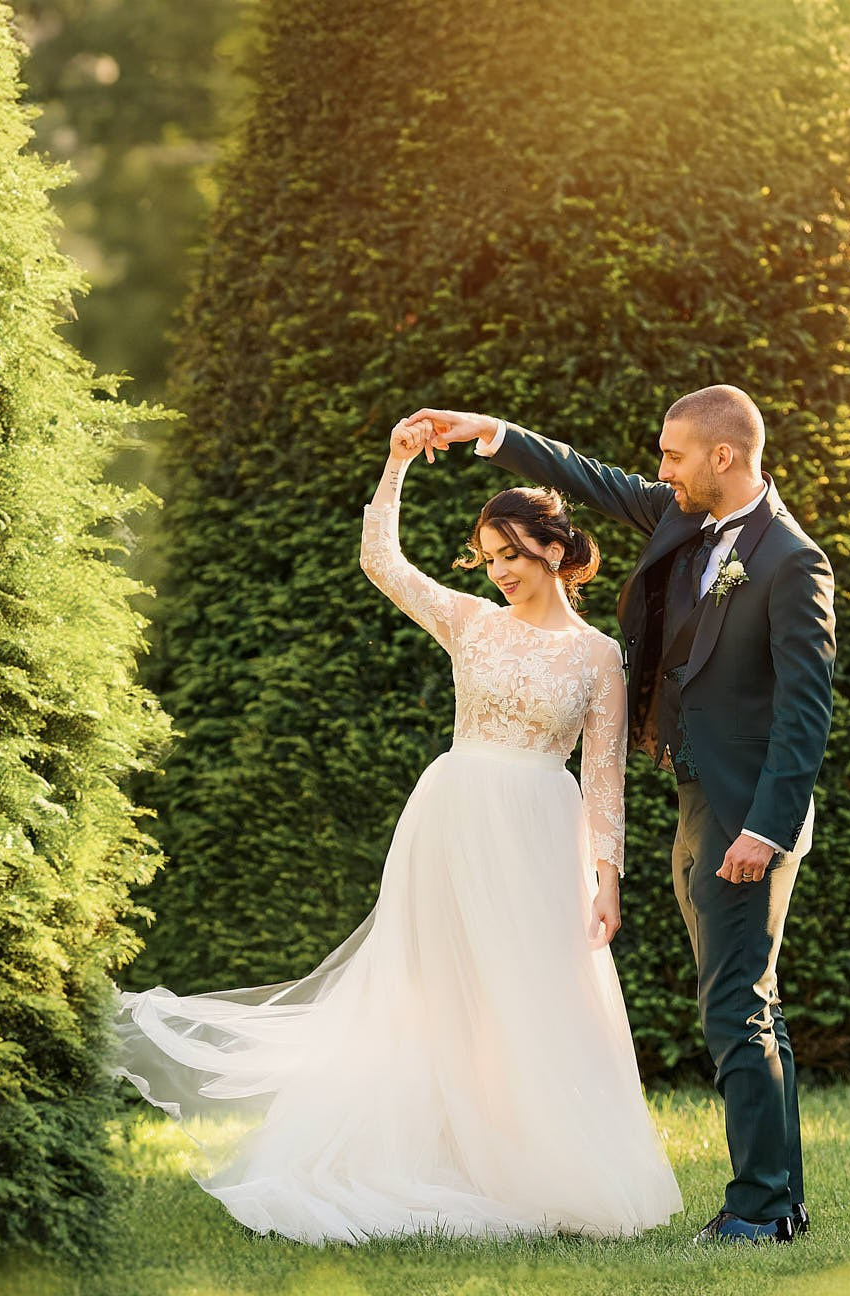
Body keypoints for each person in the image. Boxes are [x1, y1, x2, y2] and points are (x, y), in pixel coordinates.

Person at [112, 418, 682, 1245]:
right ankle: (440, 1153)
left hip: (539, 829)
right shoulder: (472, 622)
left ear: (555, 549)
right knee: (438, 990)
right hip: (454, 815)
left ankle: (537, 1164)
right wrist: (395, 465)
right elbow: (382, 561)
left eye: (513, 554)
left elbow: (603, 778)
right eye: (489, 556)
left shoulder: (598, 656)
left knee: (536, 993)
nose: (500, 570)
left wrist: (607, 877)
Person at [407, 387, 836, 1245]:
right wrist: (496, 433)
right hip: (697, 802)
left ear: (723, 455)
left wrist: (765, 828)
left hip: (747, 815)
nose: (661, 470)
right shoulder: (685, 516)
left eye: (674, 455)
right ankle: (781, 1199)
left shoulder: (793, 561)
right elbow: (590, 478)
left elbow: (806, 711)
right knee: (753, 1001)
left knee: (735, 1005)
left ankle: (757, 1210)